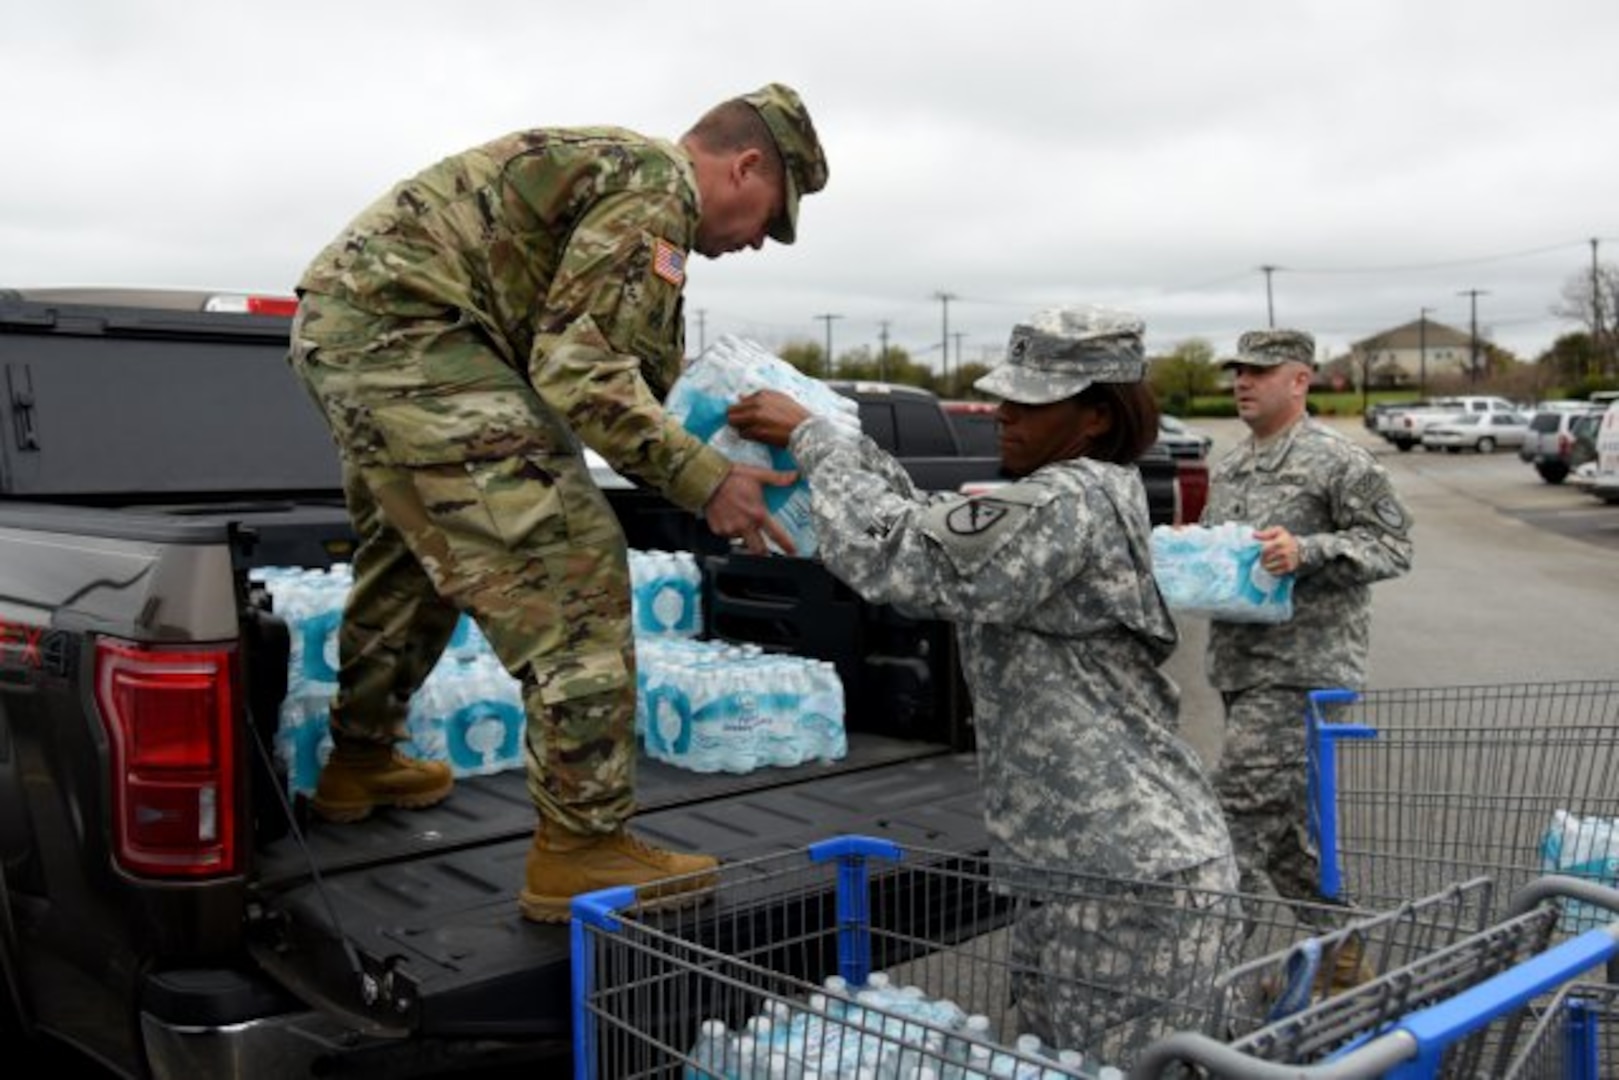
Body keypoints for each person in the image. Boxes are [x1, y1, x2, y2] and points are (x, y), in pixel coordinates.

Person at [285, 84, 828, 923]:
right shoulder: (656, 186)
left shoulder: (634, 193)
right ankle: (582, 843)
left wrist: (715, 442)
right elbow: (581, 376)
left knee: (417, 558)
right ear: (744, 163)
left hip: (363, 327)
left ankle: (360, 761)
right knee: (571, 560)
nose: (761, 239)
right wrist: (709, 482)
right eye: (771, 215)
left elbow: (627, 379)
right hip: (412, 334)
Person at [727, 307, 1239, 1064]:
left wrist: (815, 437)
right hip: (1084, 871)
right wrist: (848, 448)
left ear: (1095, 416)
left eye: (1030, 402)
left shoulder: (1068, 499)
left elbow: (900, 557)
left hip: (1127, 881)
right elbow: (925, 522)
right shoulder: (1077, 492)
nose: (1004, 414)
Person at [1201, 329, 1414, 927]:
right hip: (1240, 669)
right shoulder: (1234, 465)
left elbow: (1394, 547)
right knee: (1286, 839)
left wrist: (1309, 551)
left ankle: (1203, 991)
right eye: (1239, 370)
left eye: (1260, 371)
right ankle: (1344, 960)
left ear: (1300, 379)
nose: (1243, 381)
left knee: (1231, 828)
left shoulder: (1338, 459)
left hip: (1302, 675)